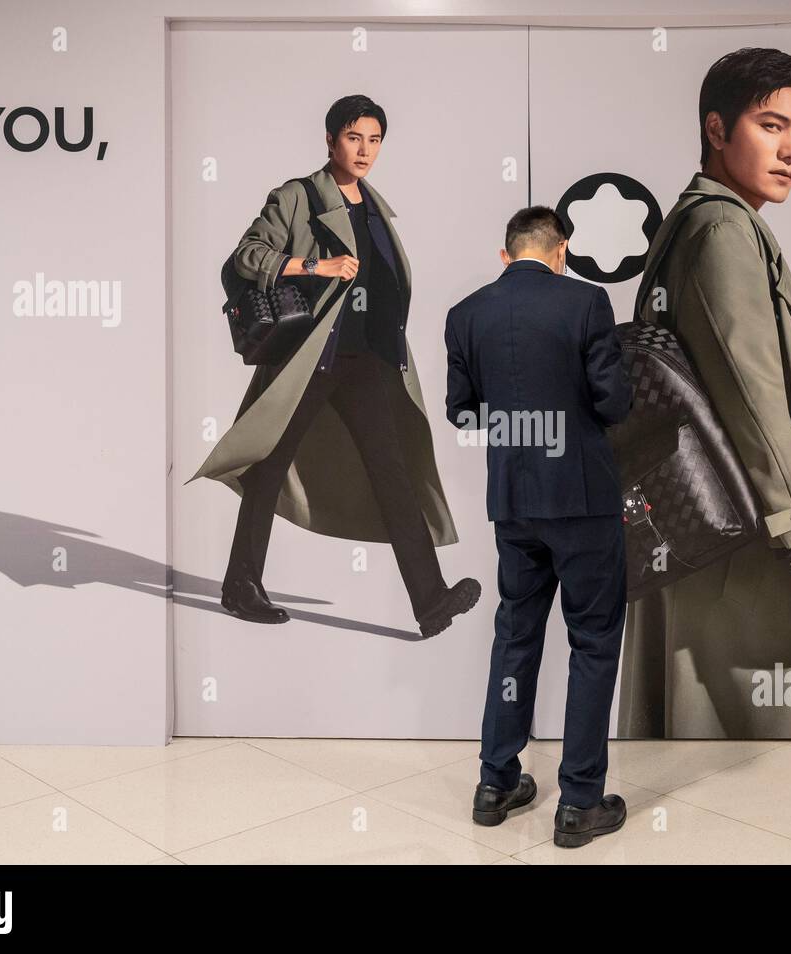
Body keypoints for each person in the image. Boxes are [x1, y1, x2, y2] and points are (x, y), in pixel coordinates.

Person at [618, 48, 791, 738]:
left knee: (703, 753)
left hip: (708, 530)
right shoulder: (725, 230)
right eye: (771, 125)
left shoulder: (693, 223)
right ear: (716, 128)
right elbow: (754, 401)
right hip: (757, 545)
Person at [187, 94, 479, 638]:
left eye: (374, 139)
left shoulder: (375, 207)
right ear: (330, 140)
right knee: (269, 465)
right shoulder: (298, 196)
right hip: (311, 357)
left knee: (392, 473)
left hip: (365, 360)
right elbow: (245, 257)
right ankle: (241, 584)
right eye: (353, 138)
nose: (365, 150)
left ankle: (430, 600)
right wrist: (315, 266)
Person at [444, 207, 634, 848]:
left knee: (515, 638)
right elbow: (614, 402)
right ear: (562, 250)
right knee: (594, 642)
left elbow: (462, 413)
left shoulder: (466, 313)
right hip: (582, 501)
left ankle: (495, 783)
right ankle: (579, 802)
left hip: (514, 502)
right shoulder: (587, 303)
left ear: (507, 255)